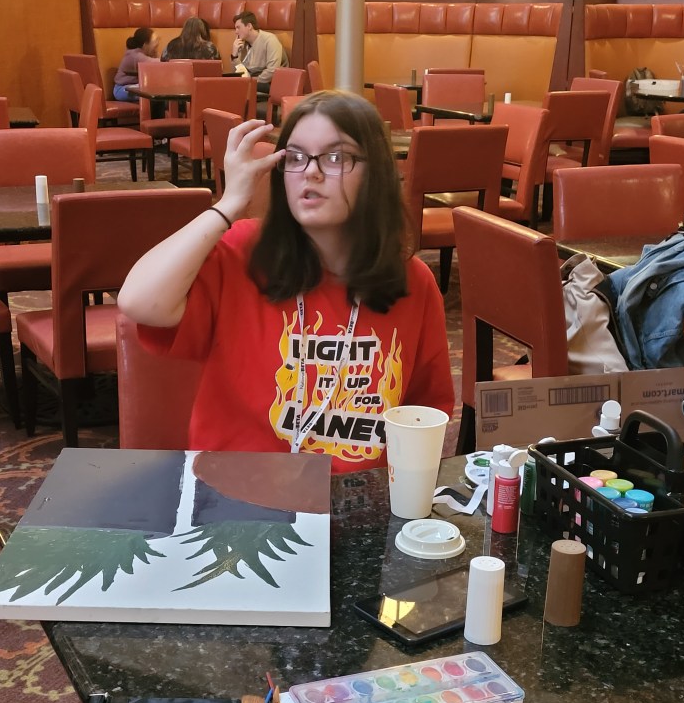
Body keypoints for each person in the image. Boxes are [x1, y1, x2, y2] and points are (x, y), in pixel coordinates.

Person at [118, 90, 455, 474]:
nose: (310, 171)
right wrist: (229, 204)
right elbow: (138, 301)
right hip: (236, 491)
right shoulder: (242, 253)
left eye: (335, 157)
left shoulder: (413, 283)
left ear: (374, 174)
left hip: (357, 498)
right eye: (295, 157)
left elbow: (424, 415)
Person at [230, 11, 288, 94]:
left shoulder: (270, 40)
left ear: (249, 26)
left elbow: (272, 71)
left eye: (238, 27)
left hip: (269, 83)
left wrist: (251, 82)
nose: (236, 32)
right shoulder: (241, 44)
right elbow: (237, 73)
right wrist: (234, 56)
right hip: (251, 82)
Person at [113, 27, 160, 103]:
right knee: (151, 92)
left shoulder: (146, 54)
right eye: (155, 41)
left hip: (135, 86)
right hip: (122, 89)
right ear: (145, 45)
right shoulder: (135, 55)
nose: (157, 43)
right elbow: (157, 64)